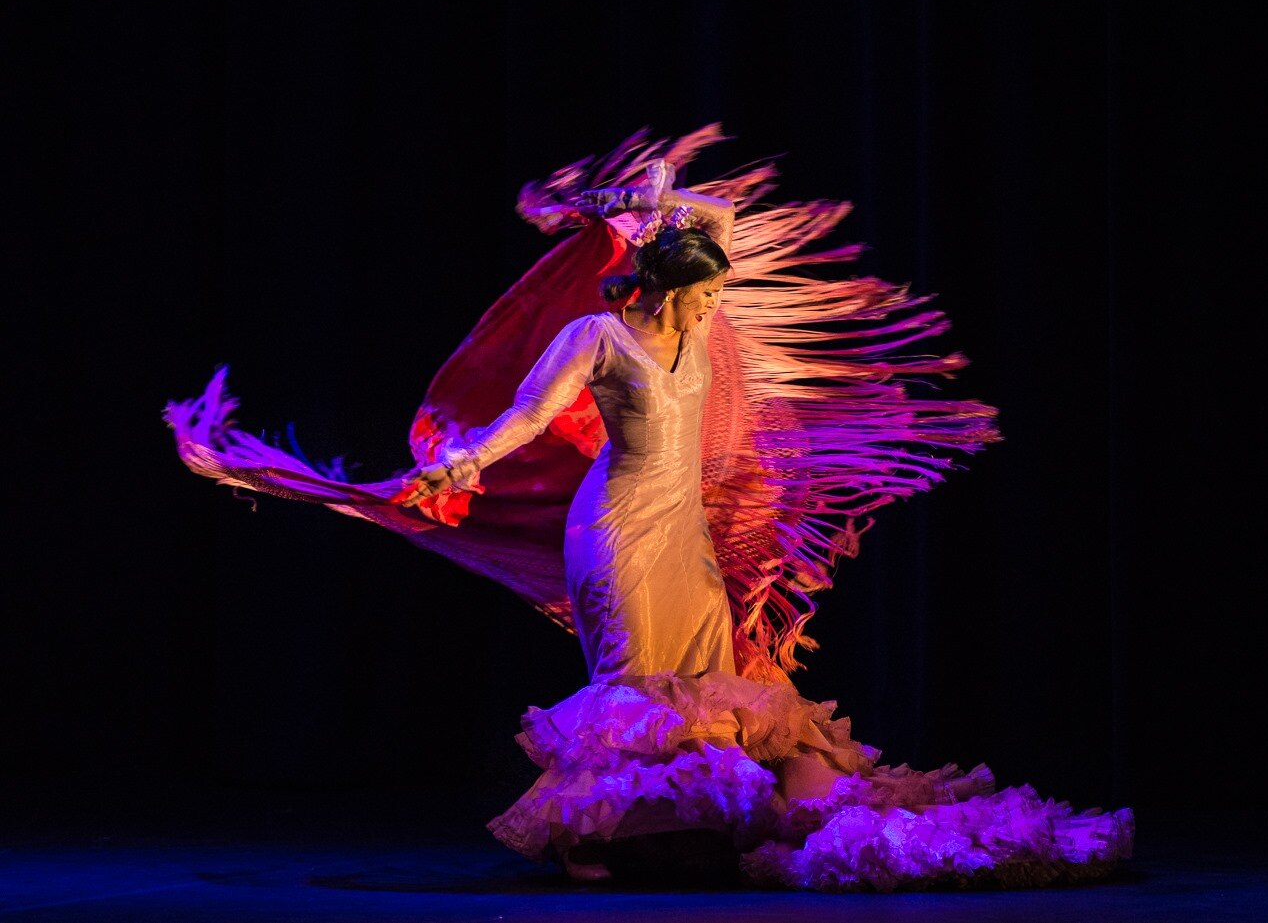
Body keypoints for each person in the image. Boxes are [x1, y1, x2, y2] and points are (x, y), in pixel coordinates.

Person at [166, 125, 1134, 891]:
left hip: (685, 533)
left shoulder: (697, 323)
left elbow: (711, 215)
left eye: (714, 288)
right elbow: (523, 415)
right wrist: (460, 458)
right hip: (616, 528)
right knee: (632, 683)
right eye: (702, 291)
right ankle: (589, 845)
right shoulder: (598, 335)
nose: (717, 303)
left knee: (710, 675)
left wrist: (636, 200)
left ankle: (713, 829)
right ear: (663, 287)